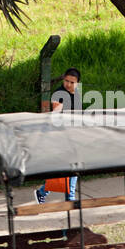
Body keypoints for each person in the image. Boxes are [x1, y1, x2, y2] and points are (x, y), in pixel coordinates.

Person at [36, 69, 82, 205]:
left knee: (71, 168)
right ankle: (70, 200)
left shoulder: (77, 94)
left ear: (77, 83)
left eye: (72, 82)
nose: (68, 84)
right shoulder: (59, 93)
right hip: (62, 136)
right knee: (72, 168)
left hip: (74, 135)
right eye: (66, 81)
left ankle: (42, 192)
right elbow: (55, 112)